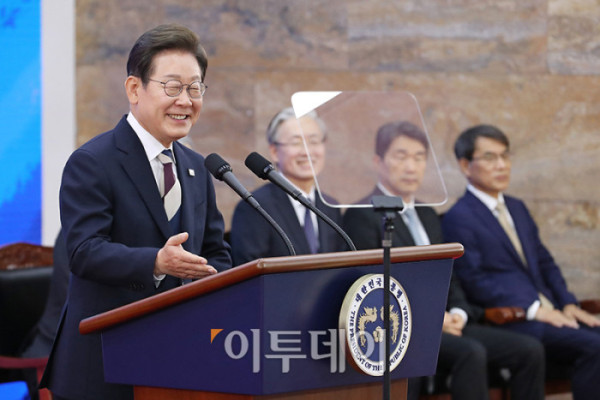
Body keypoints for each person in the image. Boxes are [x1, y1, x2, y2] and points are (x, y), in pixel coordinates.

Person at [41, 24, 232, 400]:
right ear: (134, 89)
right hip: (103, 367)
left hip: (179, 363)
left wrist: (215, 281)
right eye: (172, 87)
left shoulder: (198, 168)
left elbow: (215, 253)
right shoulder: (93, 161)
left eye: (195, 88)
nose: (185, 100)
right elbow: (84, 252)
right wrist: (157, 263)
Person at [343, 121, 545, 400]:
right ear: (379, 162)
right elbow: (372, 285)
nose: (411, 167)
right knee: (471, 353)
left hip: (449, 321)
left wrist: (459, 312)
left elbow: (450, 274)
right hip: (403, 328)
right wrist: (433, 319)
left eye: (419, 158)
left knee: (528, 350)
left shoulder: (428, 213)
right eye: (401, 157)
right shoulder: (362, 214)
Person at [442, 124, 600, 400]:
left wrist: (568, 303)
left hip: (551, 312)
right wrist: (533, 309)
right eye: (490, 157)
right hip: (514, 319)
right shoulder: (459, 216)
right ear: (465, 165)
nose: (501, 165)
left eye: (505, 155)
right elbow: (474, 280)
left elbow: (544, 262)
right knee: (594, 347)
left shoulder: (517, 207)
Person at [230, 107, 347, 265]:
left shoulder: (330, 207)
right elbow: (249, 272)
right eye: (296, 142)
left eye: (313, 141)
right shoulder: (255, 208)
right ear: (274, 152)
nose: (306, 152)